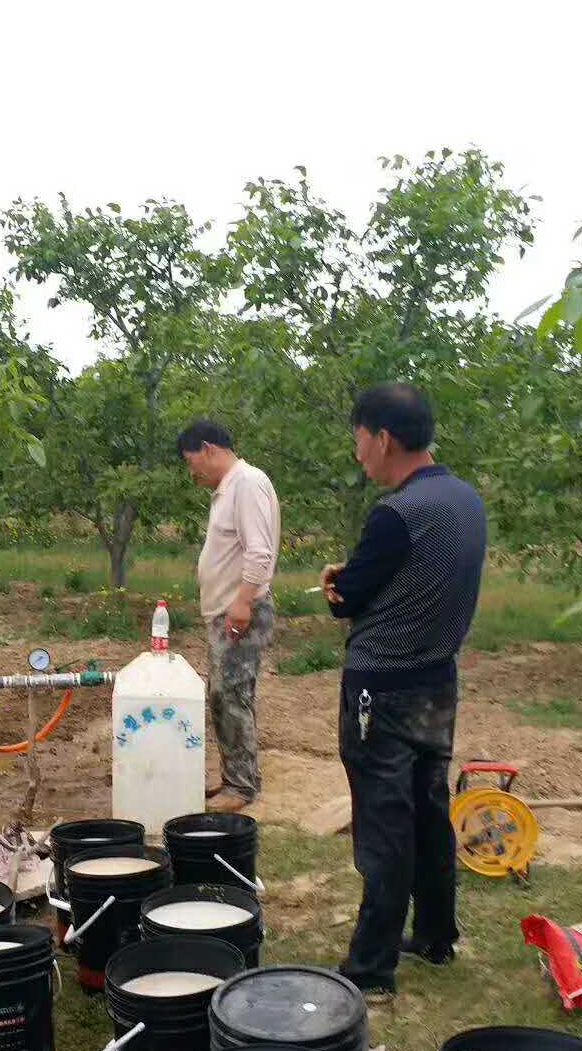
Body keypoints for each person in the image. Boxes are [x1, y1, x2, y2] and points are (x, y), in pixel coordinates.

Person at [321, 383, 486, 998]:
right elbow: (418, 578)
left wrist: (339, 582)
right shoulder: (466, 500)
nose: (358, 453)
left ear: (383, 438)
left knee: (385, 824)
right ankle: (438, 935)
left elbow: (351, 599)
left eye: (359, 440)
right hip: (437, 681)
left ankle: (370, 969)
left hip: (381, 690)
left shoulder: (396, 513)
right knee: (428, 807)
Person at [178, 419, 281, 812]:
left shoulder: (247, 483)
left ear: (208, 449)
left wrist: (242, 602)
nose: (192, 472)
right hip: (228, 610)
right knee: (225, 695)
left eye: (192, 461)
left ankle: (241, 787)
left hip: (241, 610)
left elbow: (259, 552)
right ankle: (238, 777)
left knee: (230, 694)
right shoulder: (229, 489)